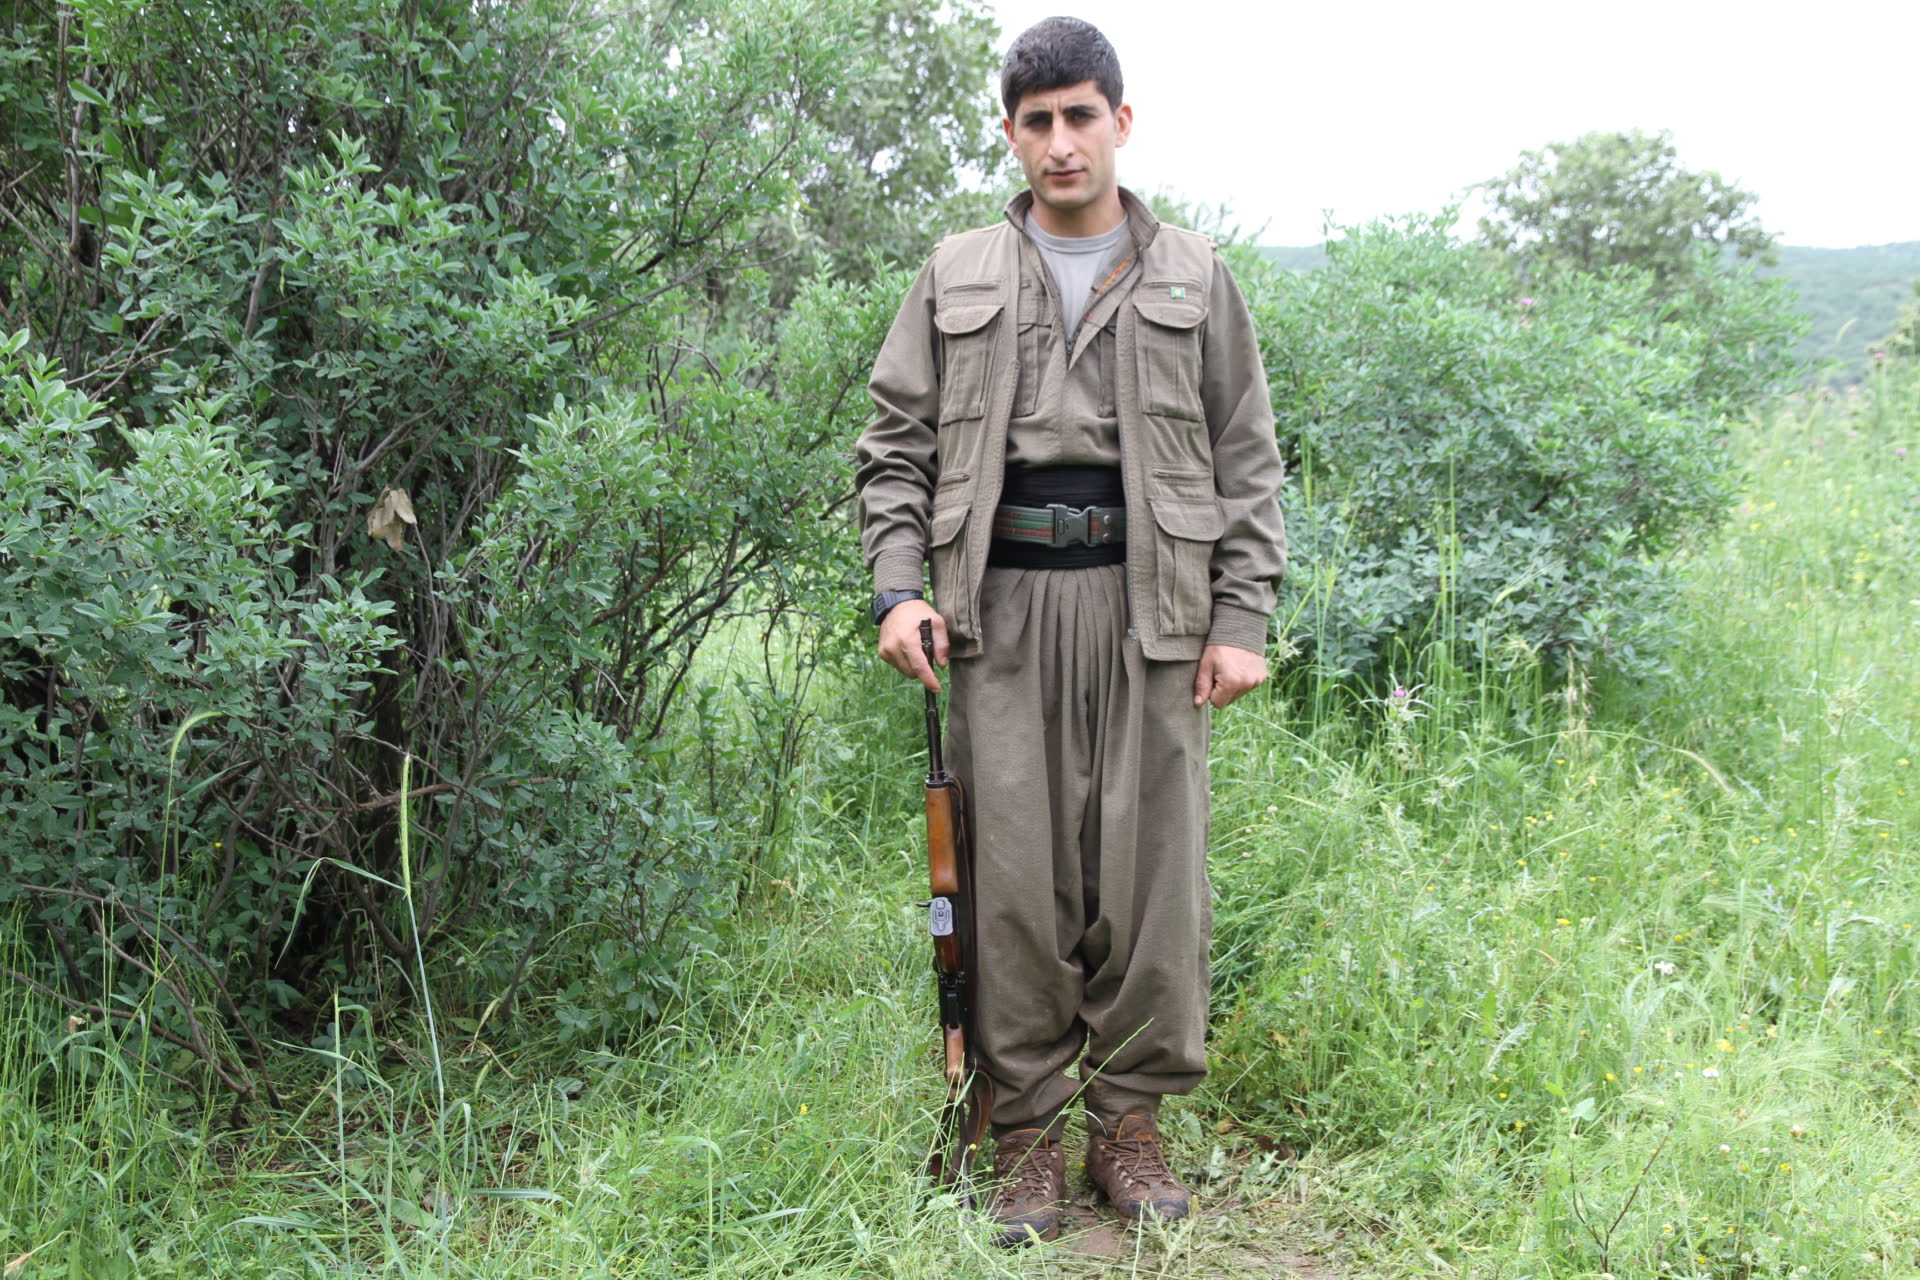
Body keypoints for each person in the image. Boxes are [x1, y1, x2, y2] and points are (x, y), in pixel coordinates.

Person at [854, 16, 1286, 1246]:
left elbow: (1248, 458)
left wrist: (1241, 615)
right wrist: (899, 588)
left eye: (1081, 116)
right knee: (1013, 880)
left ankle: (1128, 1124)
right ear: (1011, 132)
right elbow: (895, 449)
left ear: (1121, 121)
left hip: (1154, 609)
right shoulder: (955, 272)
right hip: (997, 610)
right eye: (1036, 121)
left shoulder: (1195, 274)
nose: (1060, 142)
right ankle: (1028, 1132)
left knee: (1151, 879)